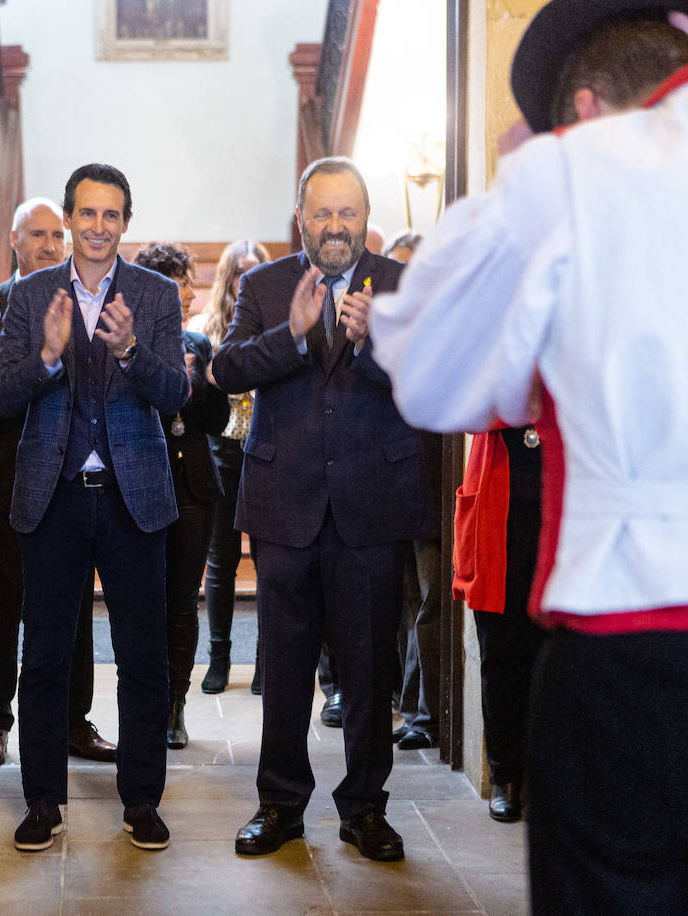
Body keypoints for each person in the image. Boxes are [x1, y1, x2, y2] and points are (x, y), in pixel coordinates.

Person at [369, 0, 688, 909]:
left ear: (581, 110)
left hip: (631, 653)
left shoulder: (575, 171)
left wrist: (518, 184)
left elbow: (429, 376)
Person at [213, 157, 427, 863]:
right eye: (323, 214)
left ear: (367, 219)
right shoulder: (263, 285)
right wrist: (296, 334)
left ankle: (366, 807)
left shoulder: (402, 285)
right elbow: (228, 371)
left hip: (372, 505)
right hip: (285, 508)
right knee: (285, 663)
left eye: (349, 213)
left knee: (369, 668)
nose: (336, 227)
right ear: (301, 219)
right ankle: (279, 805)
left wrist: (381, 344)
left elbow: (433, 381)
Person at [0, 163, 189, 852]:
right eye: (88, 214)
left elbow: (176, 396)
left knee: (143, 658)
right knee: (43, 655)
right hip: (54, 495)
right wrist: (46, 355)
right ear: (69, 219)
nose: (99, 227)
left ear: (125, 222)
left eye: (112, 215)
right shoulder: (28, 294)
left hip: (136, 498)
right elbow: (1, 396)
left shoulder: (156, 295)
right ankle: (43, 800)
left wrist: (131, 348)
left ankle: (142, 801)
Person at [0, 197, 115, 769]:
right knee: (5, 604)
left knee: (75, 607)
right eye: (38, 235)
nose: (51, 245)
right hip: (13, 475)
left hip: (74, 481)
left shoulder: (90, 299)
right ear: (14, 239)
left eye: (57, 235)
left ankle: (73, 721)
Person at [133, 242, 228, 748]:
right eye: (180, 282)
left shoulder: (199, 342)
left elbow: (214, 423)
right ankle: (145, 703)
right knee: (144, 601)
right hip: (144, 484)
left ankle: (175, 706)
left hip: (195, 489)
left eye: (190, 281)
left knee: (182, 603)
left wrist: (205, 381)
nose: (192, 292)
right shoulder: (131, 345)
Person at [451, 424, 542, 821]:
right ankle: (504, 776)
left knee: (556, 658)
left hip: (563, 507)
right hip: (497, 510)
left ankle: (547, 778)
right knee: (501, 655)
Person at [189, 240, 268, 695]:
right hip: (220, 448)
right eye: (239, 271)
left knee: (265, 559)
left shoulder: (269, 323)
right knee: (221, 561)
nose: (246, 279)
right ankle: (219, 659)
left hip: (262, 450)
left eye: (254, 270)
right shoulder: (205, 326)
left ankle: (262, 661)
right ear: (227, 277)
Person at [380, 232, 443, 753]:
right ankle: (405, 702)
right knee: (399, 602)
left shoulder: (440, 330)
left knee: (428, 600)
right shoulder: (383, 331)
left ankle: (424, 713)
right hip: (385, 489)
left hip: (430, 485)